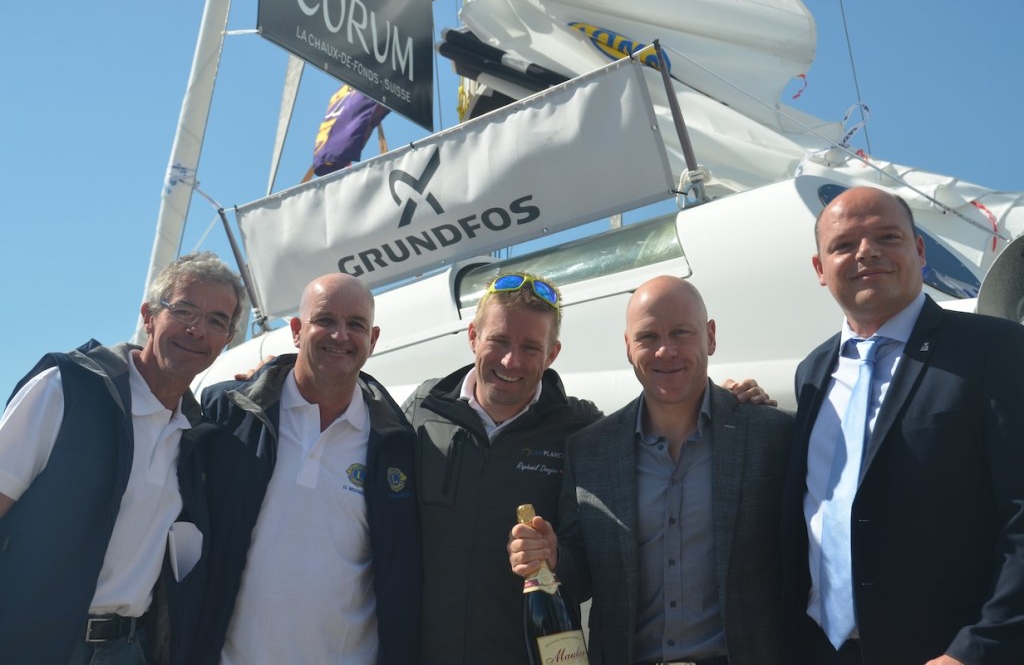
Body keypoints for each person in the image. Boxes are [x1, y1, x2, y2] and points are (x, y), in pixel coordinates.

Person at [404, 271, 772, 664]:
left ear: (552, 354)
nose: (512, 360)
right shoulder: (421, 411)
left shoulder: (580, 431)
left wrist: (727, 403)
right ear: (473, 336)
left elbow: (588, 566)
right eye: (498, 341)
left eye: (531, 347)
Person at [781, 186, 1024, 665]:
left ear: (919, 250)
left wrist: (976, 649)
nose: (866, 252)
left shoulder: (996, 350)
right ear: (820, 269)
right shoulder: (812, 371)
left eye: (886, 237)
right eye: (843, 245)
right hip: (823, 648)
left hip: (948, 652)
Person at [508, 275, 793, 665]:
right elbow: (583, 576)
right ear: (628, 347)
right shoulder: (589, 451)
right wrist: (552, 557)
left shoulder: (772, 435)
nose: (665, 351)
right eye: (648, 337)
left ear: (710, 336)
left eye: (681, 333)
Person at [0, 251, 244, 665]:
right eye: (183, 310)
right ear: (149, 316)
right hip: (29, 643)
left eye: (217, 321)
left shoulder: (197, 437)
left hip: (127, 650)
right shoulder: (66, 389)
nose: (197, 329)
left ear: (227, 339)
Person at [193, 273, 419, 665]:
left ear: (373, 339)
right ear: (297, 330)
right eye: (325, 320)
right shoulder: (228, 413)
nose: (340, 335)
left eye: (356, 325)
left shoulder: (398, 443)